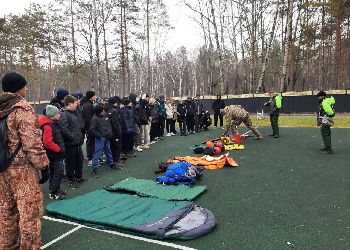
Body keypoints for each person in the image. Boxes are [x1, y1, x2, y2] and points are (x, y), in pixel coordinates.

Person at [0, 72, 49, 249]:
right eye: (24, 85)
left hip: (2, 169)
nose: (27, 88)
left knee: (6, 211)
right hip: (22, 171)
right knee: (30, 213)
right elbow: (32, 143)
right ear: (17, 88)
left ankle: (6, 245)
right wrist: (43, 165)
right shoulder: (22, 108)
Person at [39, 105, 65, 200]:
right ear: (52, 115)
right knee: (58, 171)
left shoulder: (51, 124)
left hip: (53, 153)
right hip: (54, 154)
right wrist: (58, 149)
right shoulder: (47, 126)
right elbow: (47, 142)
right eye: (58, 113)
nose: (60, 115)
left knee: (54, 171)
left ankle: (54, 188)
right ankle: (54, 192)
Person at [60, 95, 85, 186]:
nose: (76, 105)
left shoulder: (72, 113)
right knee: (70, 162)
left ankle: (79, 176)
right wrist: (72, 137)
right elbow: (63, 129)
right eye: (75, 103)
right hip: (70, 144)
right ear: (70, 104)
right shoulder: (64, 114)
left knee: (79, 159)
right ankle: (71, 178)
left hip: (77, 142)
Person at [89, 104, 118, 176]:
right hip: (100, 138)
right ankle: (95, 169)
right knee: (97, 153)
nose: (104, 110)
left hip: (106, 137)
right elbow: (92, 129)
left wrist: (109, 133)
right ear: (99, 111)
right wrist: (99, 135)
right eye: (102, 109)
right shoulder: (94, 119)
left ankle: (111, 164)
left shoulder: (105, 116)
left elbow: (108, 125)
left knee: (108, 150)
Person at [105, 97, 124, 166]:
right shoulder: (114, 111)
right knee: (117, 147)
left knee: (110, 147)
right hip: (114, 132)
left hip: (108, 131)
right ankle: (115, 161)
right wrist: (119, 133)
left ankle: (110, 160)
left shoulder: (105, 109)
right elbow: (115, 124)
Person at [81, 90, 97, 166]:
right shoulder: (87, 105)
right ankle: (91, 158)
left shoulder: (89, 104)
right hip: (90, 127)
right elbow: (88, 118)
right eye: (94, 95)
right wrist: (92, 127)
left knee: (92, 142)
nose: (95, 97)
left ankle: (94, 157)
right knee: (90, 142)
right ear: (91, 97)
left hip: (90, 126)